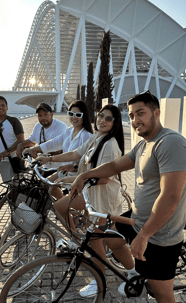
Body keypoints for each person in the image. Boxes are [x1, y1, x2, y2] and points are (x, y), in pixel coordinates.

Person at [70, 90, 186, 303]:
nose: (135, 120)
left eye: (141, 113)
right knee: (106, 234)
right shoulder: (145, 144)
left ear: (157, 113)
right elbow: (116, 165)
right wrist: (85, 175)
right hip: (137, 218)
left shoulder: (170, 143)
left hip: (159, 234)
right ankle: (134, 272)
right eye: (131, 115)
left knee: (162, 295)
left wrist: (143, 236)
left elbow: (171, 197)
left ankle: (147, 279)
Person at [37, 104, 125, 297]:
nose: (102, 120)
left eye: (108, 118)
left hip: (102, 198)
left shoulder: (110, 145)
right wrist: (48, 159)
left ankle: (100, 279)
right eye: (101, 115)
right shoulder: (96, 137)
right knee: (107, 239)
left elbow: (105, 178)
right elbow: (75, 154)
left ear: (115, 123)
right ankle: (133, 268)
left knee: (101, 240)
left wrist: (77, 178)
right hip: (89, 195)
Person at [23, 100, 93, 200]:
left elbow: (89, 160)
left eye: (78, 114)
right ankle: (63, 210)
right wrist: (34, 149)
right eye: (71, 114)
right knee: (46, 184)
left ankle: (64, 210)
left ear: (84, 115)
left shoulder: (86, 136)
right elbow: (53, 143)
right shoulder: (69, 131)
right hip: (65, 171)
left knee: (82, 208)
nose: (74, 117)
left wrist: (73, 166)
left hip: (78, 174)